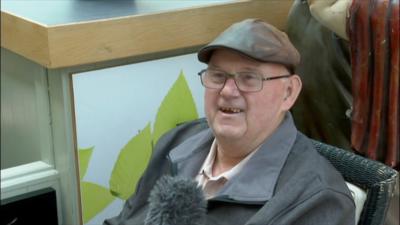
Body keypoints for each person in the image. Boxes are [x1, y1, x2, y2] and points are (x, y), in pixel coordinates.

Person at [104, 18, 355, 225]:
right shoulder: (177, 142)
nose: (227, 91)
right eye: (218, 75)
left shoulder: (317, 200)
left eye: (248, 78)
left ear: (288, 93)